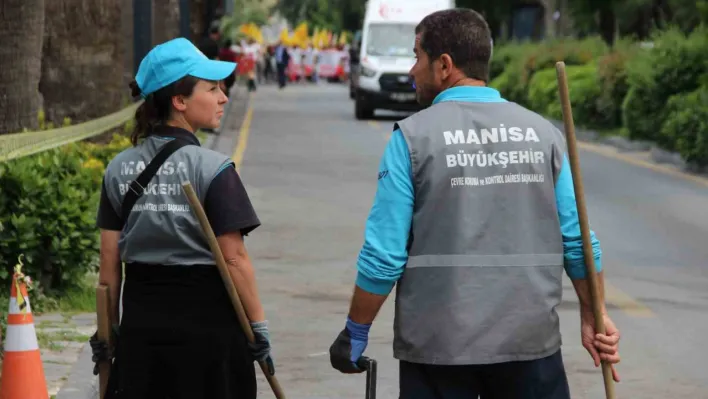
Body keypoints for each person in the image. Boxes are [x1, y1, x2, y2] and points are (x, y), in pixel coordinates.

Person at [329, 9, 621, 399]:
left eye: (417, 56)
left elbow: (384, 257)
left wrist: (356, 329)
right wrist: (594, 313)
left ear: (444, 65)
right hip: (530, 347)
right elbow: (579, 241)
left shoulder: (412, 139)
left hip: (438, 351)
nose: (412, 71)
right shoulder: (543, 135)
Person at [90, 37, 274, 399]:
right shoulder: (213, 169)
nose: (222, 97)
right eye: (211, 88)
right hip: (209, 336)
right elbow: (234, 259)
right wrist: (258, 327)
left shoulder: (117, 169)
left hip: (143, 336)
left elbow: (109, 267)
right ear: (179, 101)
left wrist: (107, 335)